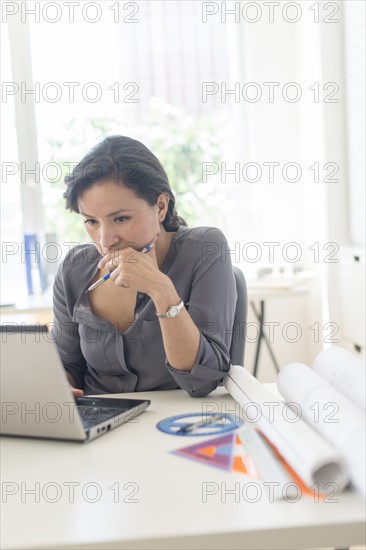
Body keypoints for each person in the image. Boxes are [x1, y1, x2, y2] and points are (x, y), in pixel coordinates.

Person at [52, 135, 237, 398]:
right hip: (98, 427)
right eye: (91, 222)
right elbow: (68, 364)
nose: (105, 240)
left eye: (121, 218)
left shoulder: (205, 248)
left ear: (161, 206)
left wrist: (161, 289)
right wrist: (61, 386)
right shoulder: (74, 269)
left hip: (175, 427)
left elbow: (202, 380)